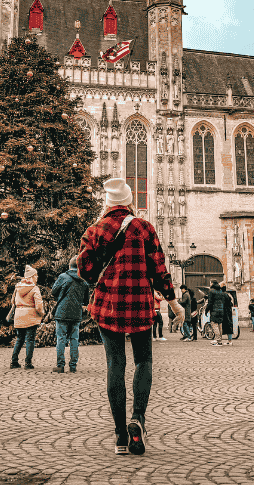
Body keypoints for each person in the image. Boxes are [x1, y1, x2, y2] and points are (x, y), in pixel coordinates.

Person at [77, 178, 184, 455]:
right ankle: (138, 418)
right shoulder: (144, 227)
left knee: (115, 364)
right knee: (143, 361)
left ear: (107, 203)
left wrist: (103, 272)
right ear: (129, 202)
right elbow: (159, 270)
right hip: (139, 304)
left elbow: (85, 270)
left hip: (108, 305)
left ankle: (120, 437)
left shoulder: (94, 230)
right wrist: (174, 304)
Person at [51, 257, 89, 373]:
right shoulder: (84, 281)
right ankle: (73, 366)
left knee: (61, 339)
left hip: (62, 313)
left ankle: (60, 365)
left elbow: (53, 292)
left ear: (69, 266)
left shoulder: (63, 277)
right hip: (76, 314)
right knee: (74, 339)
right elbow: (86, 301)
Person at [10, 265, 44, 369]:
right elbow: (39, 306)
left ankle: (14, 361)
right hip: (31, 317)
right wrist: (41, 314)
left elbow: (13, 301)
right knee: (30, 340)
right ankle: (28, 363)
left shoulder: (18, 287)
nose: (37, 277)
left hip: (19, 315)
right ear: (32, 276)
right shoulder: (34, 288)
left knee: (19, 339)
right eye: (36, 275)